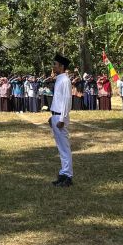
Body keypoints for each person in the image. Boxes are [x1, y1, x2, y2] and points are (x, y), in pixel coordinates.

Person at [49, 53, 73, 187]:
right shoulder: (59, 79)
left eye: (55, 64)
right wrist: (52, 116)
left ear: (62, 66)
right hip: (55, 115)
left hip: (60, 117)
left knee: (64, 148)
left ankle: (68, 176)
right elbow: (57, 100)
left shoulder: (65, 80)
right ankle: (63, 173)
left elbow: (66, 101)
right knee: (60, 148)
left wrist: (62, 118)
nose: (53, 67)